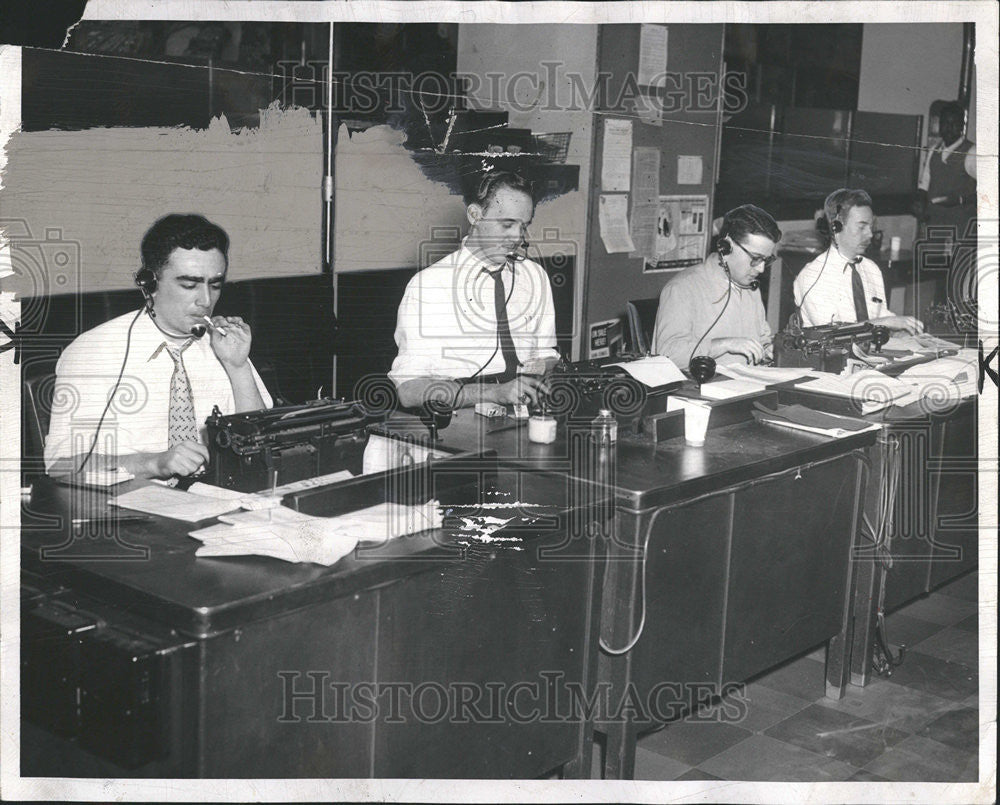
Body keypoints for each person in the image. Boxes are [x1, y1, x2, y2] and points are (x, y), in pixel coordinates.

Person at [44, 214, 272, 479]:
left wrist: (238, 366)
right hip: (128, 507)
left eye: (215, 284)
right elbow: (60, 467)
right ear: (149, 284)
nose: (206, 300)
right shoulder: (95, 351)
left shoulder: (223, 344)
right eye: (189, 284)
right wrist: (154, 463)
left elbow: (263, 448)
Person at [388, 171, 560, 409]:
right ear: (475, 215)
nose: (517, 237)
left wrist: (544, 372)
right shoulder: (428, 286)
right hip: (457, 423)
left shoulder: (535, 276)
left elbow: (546, 354)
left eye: (524, 226)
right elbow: (409, 391)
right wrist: (494, 393)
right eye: (507, 224)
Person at [653, 204, 779, 368]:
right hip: (702, 387)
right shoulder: (682, 288)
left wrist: (770, 350)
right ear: (725, 247)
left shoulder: (750, 287)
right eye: (755, 258)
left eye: (766, 260)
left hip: (747, 385)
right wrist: (724, 344)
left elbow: (763, 338)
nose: (761, 269)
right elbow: (668, 354)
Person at [793, 189, 923, 334]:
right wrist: (885, 323)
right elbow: (831, 333)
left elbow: (881, 316)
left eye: (871, 227)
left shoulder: (871, 269)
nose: (870, 234)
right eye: (862, 227)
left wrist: (905, 326)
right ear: (836, 227)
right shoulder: (813, 275)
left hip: (872, 353)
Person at [914, 101, 977, 240]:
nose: (949, 128)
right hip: (934, 226)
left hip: (961, 229)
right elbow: (924, 185)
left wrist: (960, 200)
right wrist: (920, 201)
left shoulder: (972, 153)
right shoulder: (933, 150)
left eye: (954, 123)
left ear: (962, 126)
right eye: (945, 123)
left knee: (957, 261)